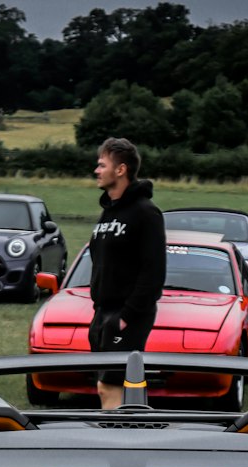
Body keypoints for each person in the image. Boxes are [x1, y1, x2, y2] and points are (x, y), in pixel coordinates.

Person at [88, 137, 166, 411]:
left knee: (110, 387)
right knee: (108, 387)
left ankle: (113, 447)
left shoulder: (146, 213)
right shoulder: (107, 213)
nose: (96, 171)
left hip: (127, 315)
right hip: (102, 312)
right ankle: (128, 436)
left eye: (102, 165)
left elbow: (154, 272)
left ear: (120, 170)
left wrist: (126, 317)